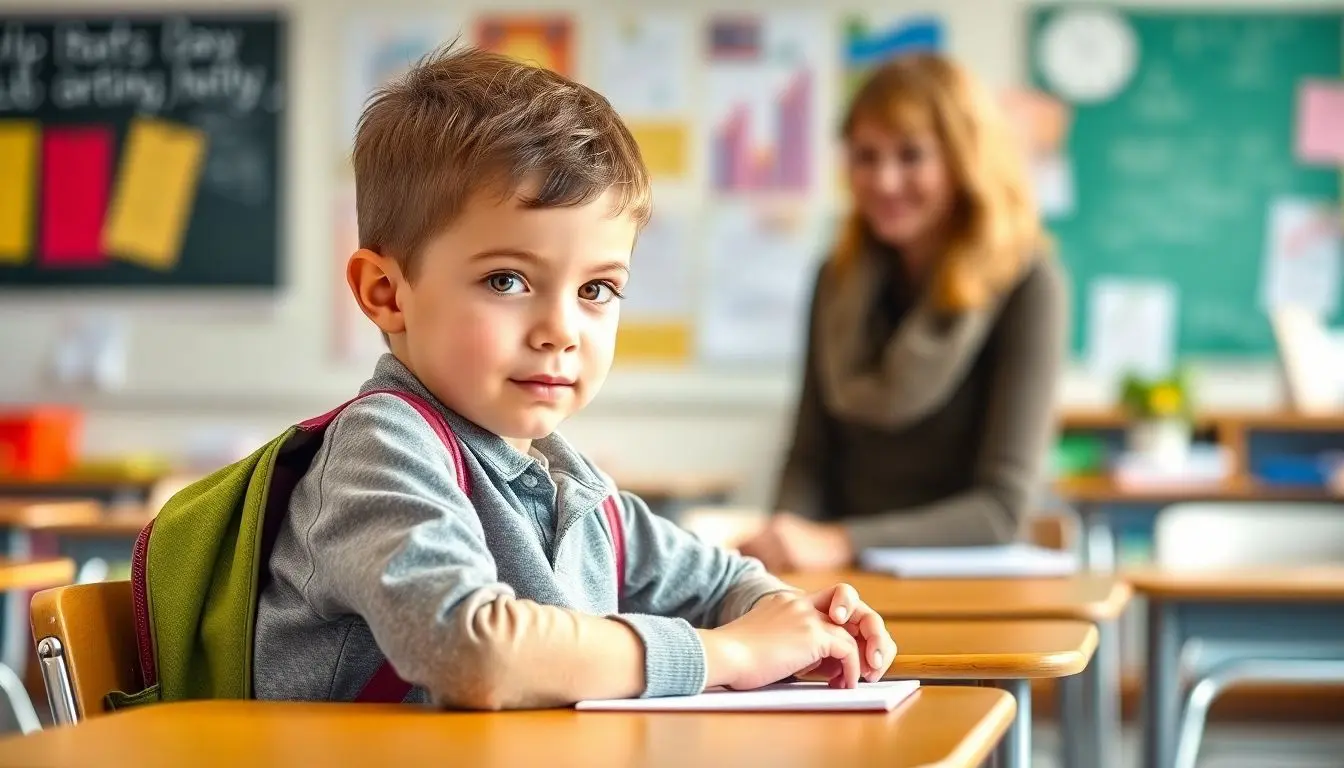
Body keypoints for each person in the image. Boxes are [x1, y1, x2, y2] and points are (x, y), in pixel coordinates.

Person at [252, 44, 896, 709]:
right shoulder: (381, 450)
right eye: (508, 280)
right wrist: (728, 653)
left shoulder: (567, 480)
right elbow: (474, 649)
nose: (561, 329)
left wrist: (797, 618)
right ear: (387, 292)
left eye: (596, 289)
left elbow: (716, 581)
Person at [739, 53, 1068, 573]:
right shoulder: (836, 278)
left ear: (963, 162)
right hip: (843, 579)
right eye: (866, 157)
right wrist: (781, 555)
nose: (885, 180)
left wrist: (837, 541)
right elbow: (810, 456)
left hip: (969, 584)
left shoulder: (1028, 283)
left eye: (911, 156)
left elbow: (1002, 510)